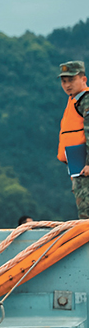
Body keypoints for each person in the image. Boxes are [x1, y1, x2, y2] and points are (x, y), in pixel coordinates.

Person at [57, 60, 89, 219]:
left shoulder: (86, 100)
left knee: (87, 215)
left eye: (72, 80)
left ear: (84, 79)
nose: (67, 85)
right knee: (83, 210)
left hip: (85, 167)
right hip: (77, 165)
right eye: (64, 81)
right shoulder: (74, 101)